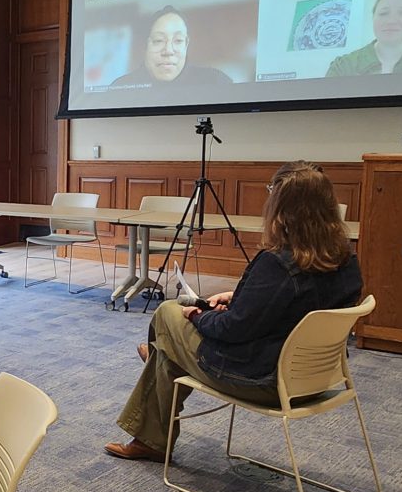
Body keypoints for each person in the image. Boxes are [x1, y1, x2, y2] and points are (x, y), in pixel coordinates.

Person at [106, 162, 361, 461]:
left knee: (169, 311)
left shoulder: (277, 264)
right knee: (169, 352)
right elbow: (291, 309)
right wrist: (240, 299)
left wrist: (199, 315)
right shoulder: (347, 261)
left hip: (264, 380)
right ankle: (159, 373)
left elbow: (232, 330)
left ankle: (161, 357)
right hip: (316, 378)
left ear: (280, 205)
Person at [110, 6, 233, 88]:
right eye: (158, 40)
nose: (168, 51)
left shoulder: (215, 82)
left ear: (186, 44)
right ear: (145, 45)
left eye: (178, 40)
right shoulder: (120, 88)